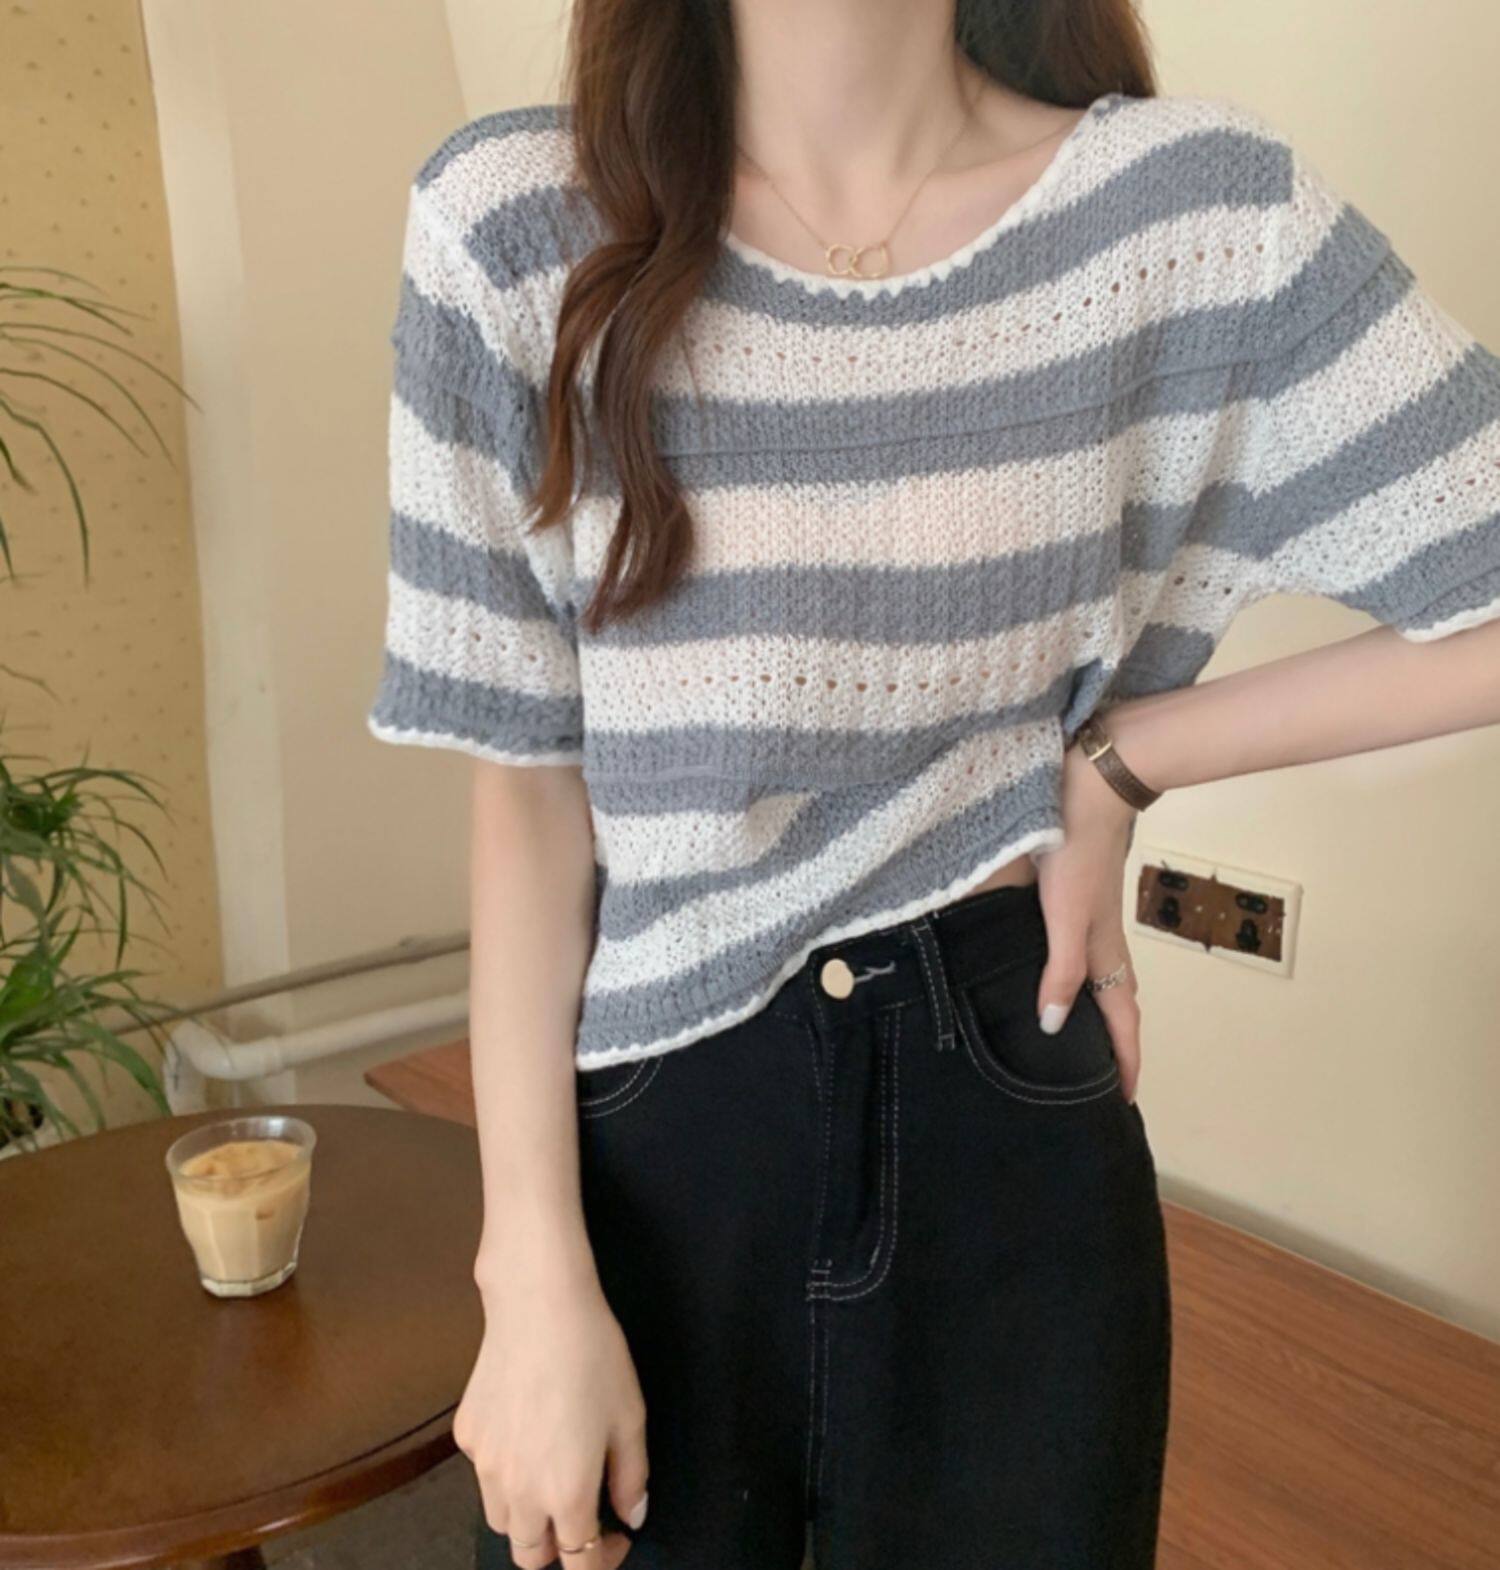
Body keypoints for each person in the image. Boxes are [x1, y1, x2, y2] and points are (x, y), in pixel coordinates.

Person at [366, 2, 1500, 1565]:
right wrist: (530, 1268)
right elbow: (528, 800)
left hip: (1007, 1117)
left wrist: (1129, 760)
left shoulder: (1191, 218)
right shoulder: (511, 233)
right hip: (656, 1142)